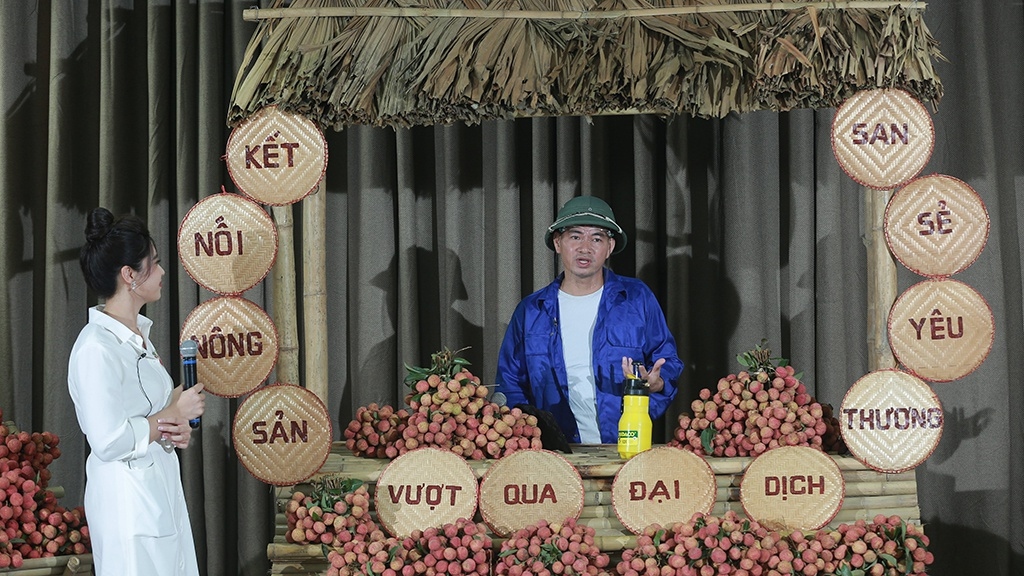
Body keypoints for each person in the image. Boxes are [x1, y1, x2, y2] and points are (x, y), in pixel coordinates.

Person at [67, 208, 206, 576]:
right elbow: (109, 438)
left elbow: (151, 412)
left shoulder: (139, 335)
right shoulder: (97, 348)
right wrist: (170, 417)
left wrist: (176, 422)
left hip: (159, 492)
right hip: (127, 504)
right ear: (130, 275)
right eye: (155, 264)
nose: (161, 273)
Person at [496, 195, 683, 444]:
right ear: (558, 242)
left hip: (625, 448)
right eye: (575, 236)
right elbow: (509, 383)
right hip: (553, 453)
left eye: (597, 238)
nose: (585, 247)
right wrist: (533, 435)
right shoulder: (531, 310)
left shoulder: (636, 298)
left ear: (610, 247)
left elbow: (667, 361)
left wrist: (656, 383)